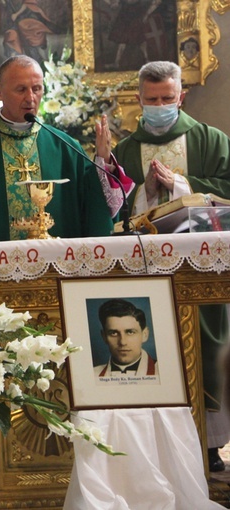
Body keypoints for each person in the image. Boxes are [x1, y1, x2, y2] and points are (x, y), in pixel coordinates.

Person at [109, 60, 230, 471]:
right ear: (139, 100)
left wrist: (181, 187)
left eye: (167, 98)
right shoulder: (125, 151)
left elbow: (228, 189)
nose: (160, 106)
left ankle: (209, 446)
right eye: (151, 99)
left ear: (182, 96)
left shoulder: (210, 140)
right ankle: (151, 447)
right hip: (144, 270)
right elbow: (112, 207)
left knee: (205, 344)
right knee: (152, 346)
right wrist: (146, 191)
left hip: (199, 268)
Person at [0, 55, 127, 243]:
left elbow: (96, 205)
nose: (30, 97)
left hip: (56, 263)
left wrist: (103, 160)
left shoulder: (64, 145)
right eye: (21, 89)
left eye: (37, 89)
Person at [93, 298, 158, 378]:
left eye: (130, 332)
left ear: (145, 335)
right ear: (104, 336)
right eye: (114, 333)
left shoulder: (164, 371)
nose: (122, 342)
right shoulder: (92, 374)